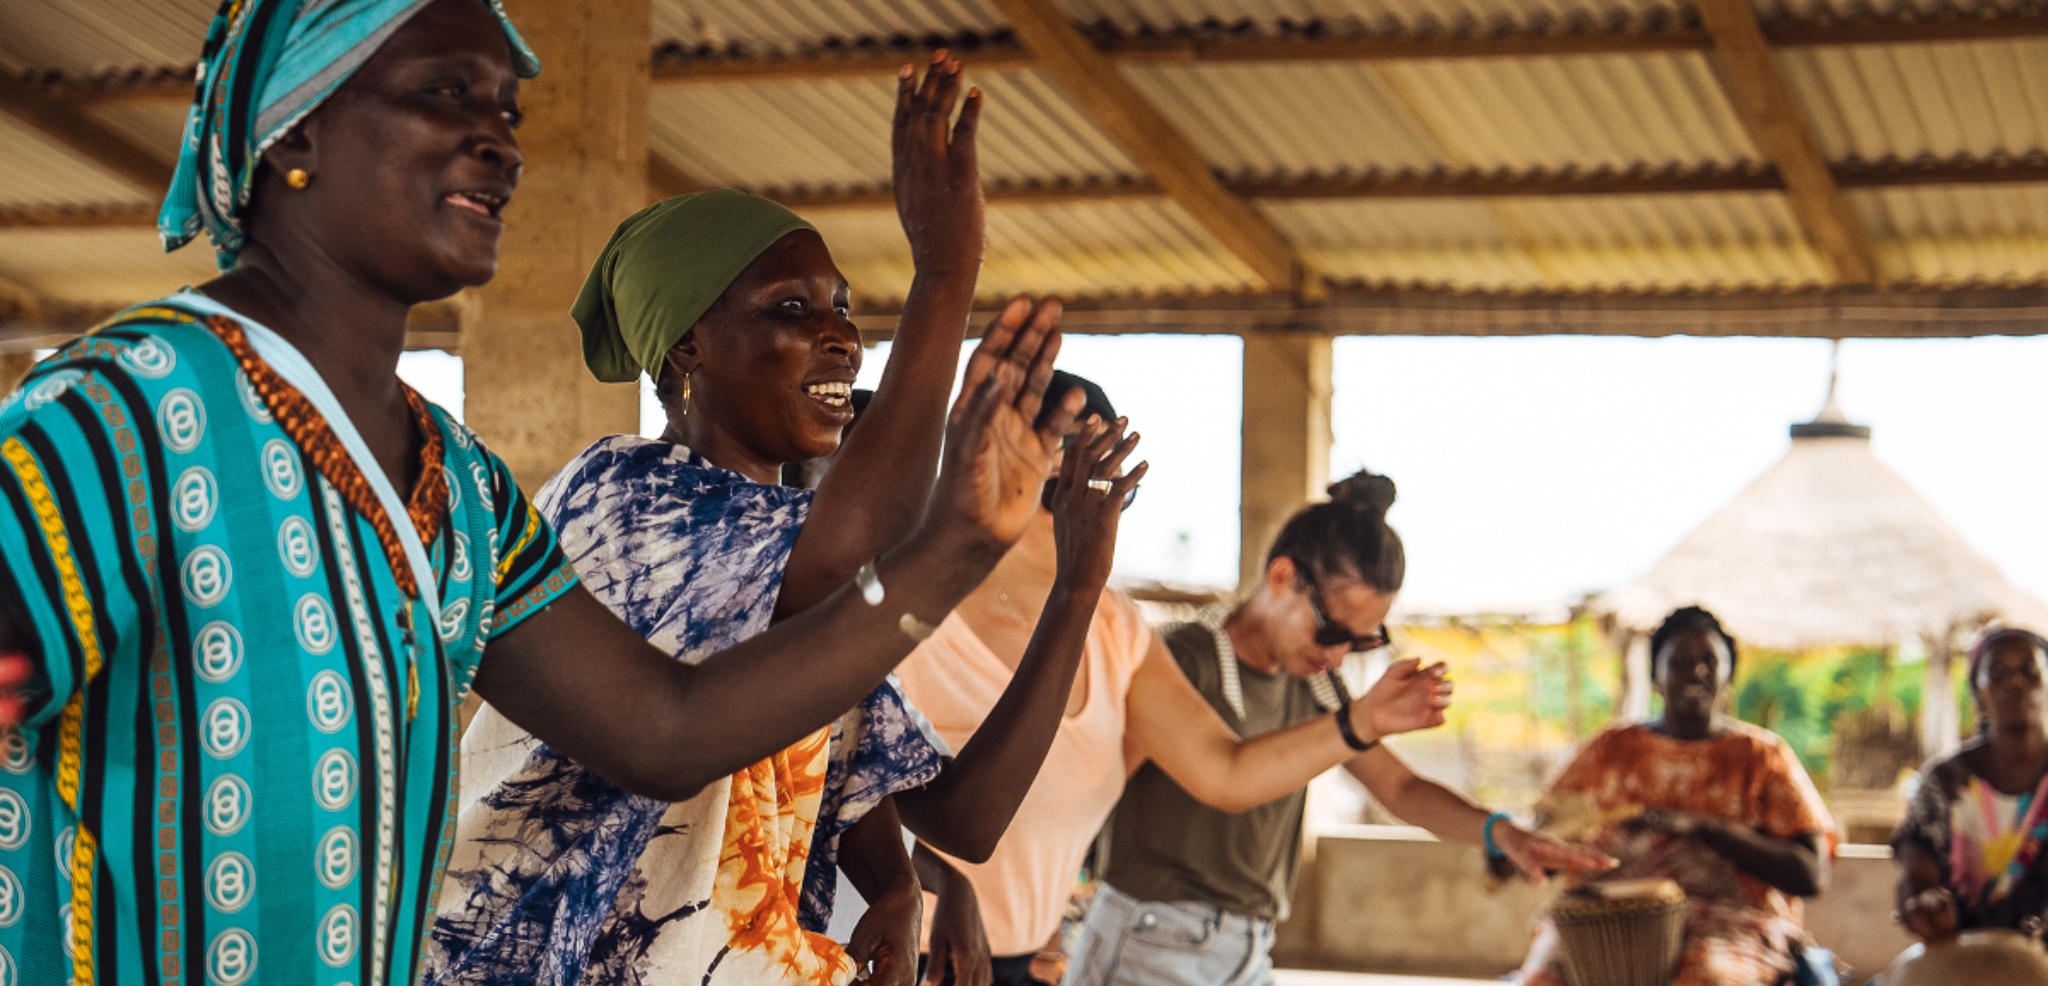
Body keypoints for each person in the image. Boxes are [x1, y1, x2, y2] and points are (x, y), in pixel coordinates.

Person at [0, 2, 1081, 982]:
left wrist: (956, 549)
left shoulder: (453, 484)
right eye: (444, 92)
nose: (500, 140)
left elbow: (664, 729)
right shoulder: (116, 423)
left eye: (506, 107)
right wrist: (943, 279)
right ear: (296, 134)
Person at [428, 59, 1146, 986]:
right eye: (794, 309)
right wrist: (946, 270)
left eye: (845, 308)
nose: (841, 335)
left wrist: (1077, 593)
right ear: (690, 344)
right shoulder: (623, 495)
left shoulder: (787, 568)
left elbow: (963, 816)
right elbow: (844, 561)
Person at [897, 430, 1607, 986]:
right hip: (1152, 938)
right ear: (1281, 578)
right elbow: (1204, 777)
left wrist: (1500, 833)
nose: (1338, 656)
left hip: (1247, 945)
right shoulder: (1187, 658)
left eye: (1365, 642)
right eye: (1331, 631)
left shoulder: (1317, 688)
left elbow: (1399, 787)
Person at [1518, 606, 1835, 986]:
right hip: (1602, 924)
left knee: (1707, 977)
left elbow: (1811, 874)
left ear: (1728, 674)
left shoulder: (1763, 756)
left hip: (1729, 926)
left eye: (1709, 660)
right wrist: (1515, 848)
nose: (1696, 672)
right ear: (1655, 675)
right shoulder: (1608, 748)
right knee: (1542, 978)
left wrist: (1703, 827)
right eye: (1680, 661)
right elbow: (1548, 834)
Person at [1893, 626, 2048, 941]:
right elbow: (1916, 877)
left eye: (2028, 670)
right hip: (1963, 960)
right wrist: (1925, 904)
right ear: (1977, 690)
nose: (2015, 683)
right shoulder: (1944, 782)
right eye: (1999, 673)